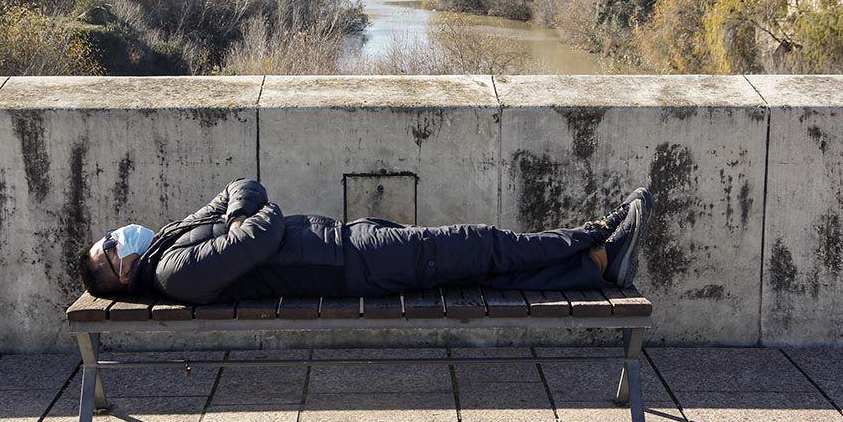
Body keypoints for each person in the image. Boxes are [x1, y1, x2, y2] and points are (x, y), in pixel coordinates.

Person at [77, 178, 653, 304]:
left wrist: (240, 216)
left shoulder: (169, 245)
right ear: (121, 274)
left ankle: (596, 265)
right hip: (353, 265)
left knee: (477, 268)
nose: (116, 235)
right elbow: (261, 224)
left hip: (350, 245)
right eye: (110, 246)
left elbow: (240, 186)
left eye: (107, 237)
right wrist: (243, 219)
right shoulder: (175, 273)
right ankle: (601, 232)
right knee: (483, 244)